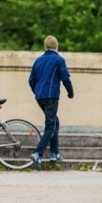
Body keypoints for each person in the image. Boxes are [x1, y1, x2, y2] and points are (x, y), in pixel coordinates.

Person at [28, 35, 74, 170]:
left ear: (45, 47)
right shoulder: (58, 60)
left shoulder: (38, 60)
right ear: (56, 47)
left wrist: (37, 92)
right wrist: (70, 92)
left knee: (54, 122)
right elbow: (65, 78)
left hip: (40, 97)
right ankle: (38, 153)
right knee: (50, 125)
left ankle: (55, 153)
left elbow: (31, 80)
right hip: (51, 96)